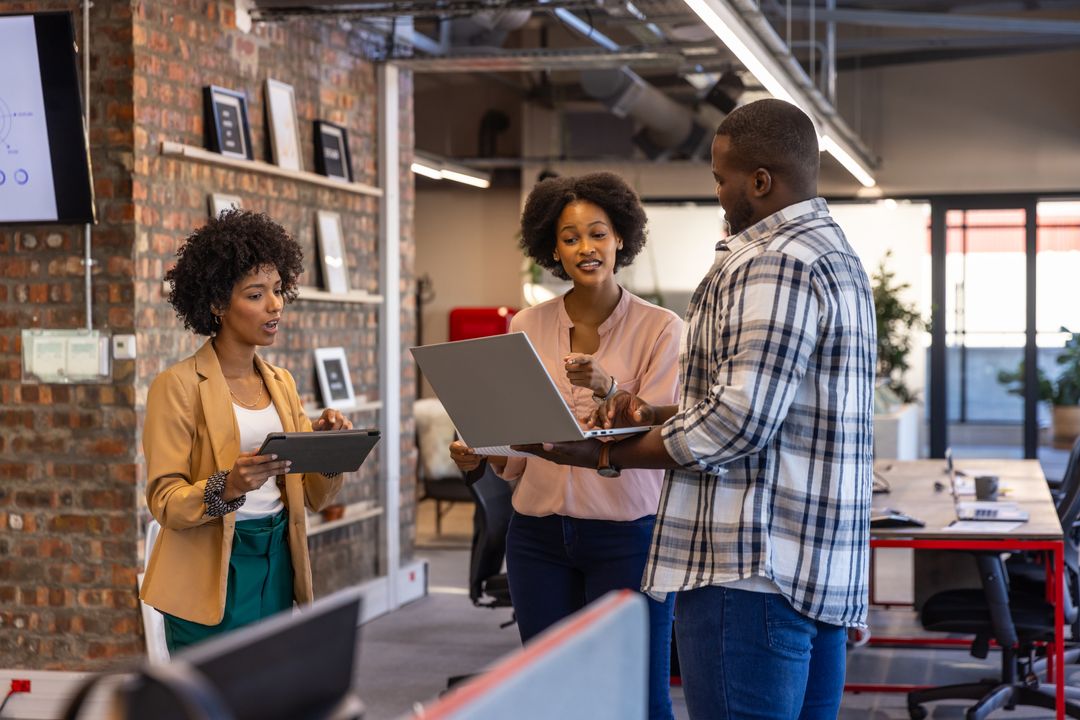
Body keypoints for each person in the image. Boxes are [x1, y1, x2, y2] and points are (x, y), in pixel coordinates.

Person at [525, 99, 877, 719]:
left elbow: (734, 423)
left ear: (760, 181)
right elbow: (769, 408)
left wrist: (604, 452)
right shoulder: (835, 256)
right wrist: (660, 413)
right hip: (813, 567)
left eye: (721, 178)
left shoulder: (773, 260)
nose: (718, 194)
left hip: (749, 565)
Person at [449, 172, 683, 720]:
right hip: (537, 537)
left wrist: (609, 388)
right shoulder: (527, 324)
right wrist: (485, 452)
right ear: (552, 248)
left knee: (636, 695)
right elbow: (521, 445)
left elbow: (658, 432)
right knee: (552, 693)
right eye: (571, 237)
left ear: (620, 237)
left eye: (597, 233)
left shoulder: (662, 329)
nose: (586, 248)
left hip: (627, 534)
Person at [141, 209, 352, 653]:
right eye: (256, 295)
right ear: (217, 304)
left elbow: (313, 497)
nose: (275, 305)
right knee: (213, 703)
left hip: (278, 559)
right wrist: (227, 486)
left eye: (277, 291)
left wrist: (329, 452)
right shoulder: (177, 386)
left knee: (269, 696)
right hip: (208, 571)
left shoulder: (282, 383)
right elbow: (165, 501)